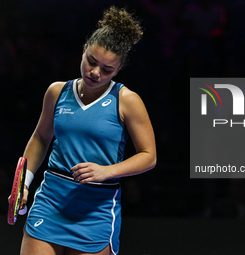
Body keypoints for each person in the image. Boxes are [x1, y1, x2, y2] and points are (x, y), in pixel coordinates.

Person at [15, 5, 156, 255]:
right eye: (91, 61)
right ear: (83, 51)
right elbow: (40, 137)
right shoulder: (57, 92)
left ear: (119, 69)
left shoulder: (127, 100)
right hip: (51, 201)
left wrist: (107, 171)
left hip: (97, 209)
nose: (95, 72)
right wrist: (24, 183)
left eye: (107, 69)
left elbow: (149, 156)